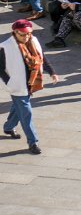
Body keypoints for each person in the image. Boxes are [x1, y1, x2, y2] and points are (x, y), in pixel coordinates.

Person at [1, 19, 58, 155]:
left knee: (19, 107)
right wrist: (9, 82)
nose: (26, 37)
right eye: (23, 34)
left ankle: (8, 127)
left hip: (30, 83)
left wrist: (52, 72)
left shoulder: (34, 40)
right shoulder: (4, 47)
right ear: (15, 32)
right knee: (26, 113)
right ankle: (33, 142)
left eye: (28, 33)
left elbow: (42, 56)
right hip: (17, 85)